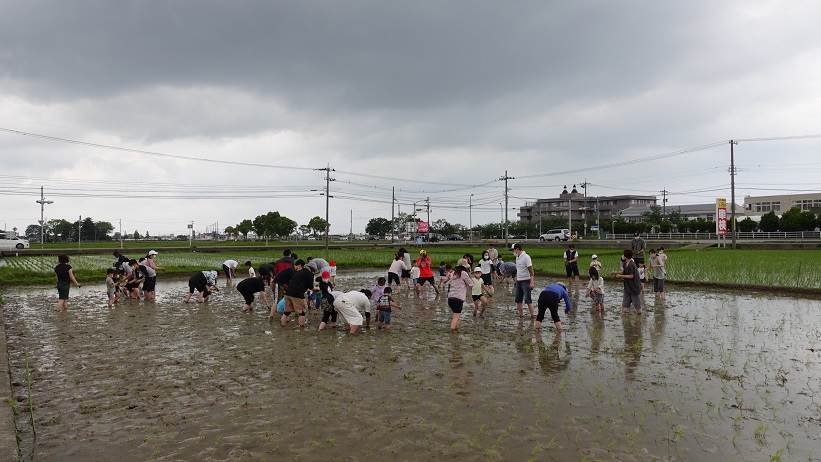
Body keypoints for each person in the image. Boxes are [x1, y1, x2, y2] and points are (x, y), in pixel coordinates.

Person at [282, 259, 313, 327]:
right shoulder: (309, 274)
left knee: (286, 312)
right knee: (302, 313)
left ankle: (282, 326)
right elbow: (311, 287)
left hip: (287, 293)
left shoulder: (297, 272)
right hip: (297, 294)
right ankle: (301, 329)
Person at [445, 264, 474, 332]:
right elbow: (471, 284)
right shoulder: (463, 273)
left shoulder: (453, 273)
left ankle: (456, 328)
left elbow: (448, 283)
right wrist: (469, 276)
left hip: (450, 298)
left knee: (455, 315)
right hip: (458, 299)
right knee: (456, 316)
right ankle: (452, 331)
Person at [613, 249, 642, 314]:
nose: (623, 256)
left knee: (638, 310)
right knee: (625, 308)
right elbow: (624, 272)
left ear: (625, 256)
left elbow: (631, 276)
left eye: (623, 255)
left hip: (634, 288)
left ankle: (639, 322)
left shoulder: (631, 264)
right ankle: (626, 322)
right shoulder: (625, 263)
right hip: (627, 287)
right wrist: (615, 273)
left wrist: (620, 276)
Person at [512, 243, 535, 318]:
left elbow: (531, 271)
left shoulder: (526, 257)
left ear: (517, 249)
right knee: (518, 299)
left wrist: (532, 282)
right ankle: (521, 315)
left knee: (528, 299)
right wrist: (516, 279)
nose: (513, 252)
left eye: (513, 250)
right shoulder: (517, 257)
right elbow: (518, 269)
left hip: (526, 281)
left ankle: (532, 315)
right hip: (519, 281)